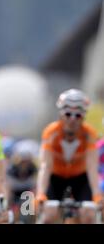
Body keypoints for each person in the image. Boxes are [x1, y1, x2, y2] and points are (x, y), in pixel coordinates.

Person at [36, 88, 102, 224]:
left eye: (77, 115)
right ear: (61, 114)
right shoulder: (51, 132)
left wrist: (97, 195)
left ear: (83, 116)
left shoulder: (89, 134)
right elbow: (45, 166)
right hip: (56, 177)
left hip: (80, 177)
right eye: (68, 114)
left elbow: (91, 167)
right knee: (49, 215)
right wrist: (41, 193)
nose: (72, 120)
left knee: (88, 215)